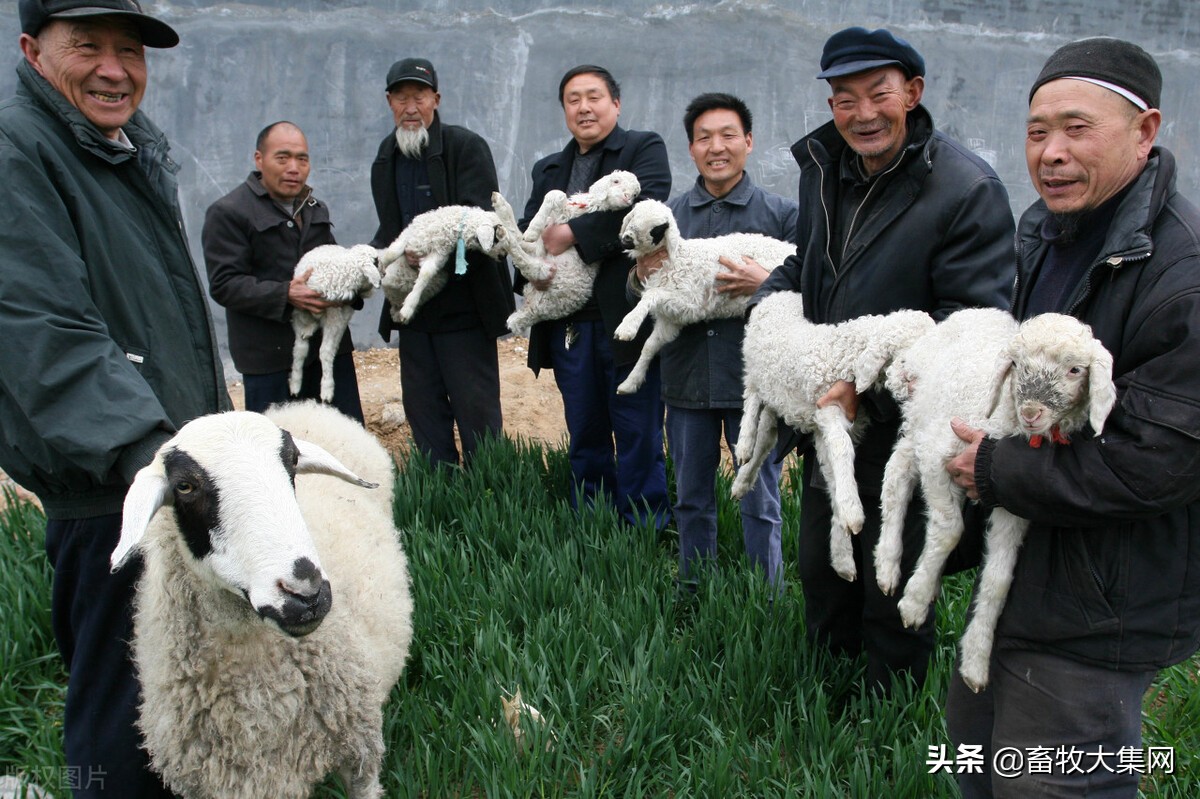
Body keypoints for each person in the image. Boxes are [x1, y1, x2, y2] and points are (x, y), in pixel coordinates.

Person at [945, 38, 1200, 797]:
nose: (1051, 153)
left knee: (1056, 780)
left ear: (1145, 130)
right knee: (973, 754)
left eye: (1076, 128)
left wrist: (992, 468)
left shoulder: (1179, 277)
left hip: (1101, 600)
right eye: (1035, 131)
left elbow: (1159, 458)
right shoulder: (1056, 233)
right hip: (1030, 565)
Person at [0, 2, 230, 796]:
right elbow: (41, 331)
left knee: (177, 706)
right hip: (116, 491)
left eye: (128, 49)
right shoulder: (17, 151)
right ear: (32, 50)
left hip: (160, 474)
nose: (113, 67)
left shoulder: (116, 151)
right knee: (124, 719)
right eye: (87, 46)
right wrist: (158, 459)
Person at [751, 27, 1016, 691]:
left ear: (914, 93)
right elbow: (803, 266)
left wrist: (862, 389)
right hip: (829, 419)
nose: (863, 114)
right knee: (821, 567)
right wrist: (767, 311)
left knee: (886, 578)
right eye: (845, 99)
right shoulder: (823, 171)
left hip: (901, 429)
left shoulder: (965, 190)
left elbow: (970, 328)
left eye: (879, 95)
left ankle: (887, 722)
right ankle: (825, 708)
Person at [629, 93, 798, 588]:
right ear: (691, 149)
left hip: (754, 382)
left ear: (748, 142)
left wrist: (764, 280)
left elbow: (812, 286)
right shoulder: (667, 215)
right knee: (691, 497)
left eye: (728, 135)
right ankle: (694, 592)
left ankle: (764, 599)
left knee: (760, 498)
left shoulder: (780, 214)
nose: (716, 147)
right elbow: (635, 288)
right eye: (705, 138)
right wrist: (643, 275)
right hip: (685, 378)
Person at [519, 64, 672, 529]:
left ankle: (645, 528)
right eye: (572, 99)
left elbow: (647, 212)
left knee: (637, 428)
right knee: (584, 429)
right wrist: (531, 271)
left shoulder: (642, 149)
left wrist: (570, 233)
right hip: (568, 324)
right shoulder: (548, 168)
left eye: (594, 97)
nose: (583, 107)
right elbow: (529, 233)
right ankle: (592, 524)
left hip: (625, 318)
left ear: (615, 103)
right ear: (564, 109)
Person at [369, 57, 514, 466]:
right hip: (414, 313)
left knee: (477, 416)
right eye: (401, 97)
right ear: (389, 102)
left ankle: (491, 501)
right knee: (425, 415)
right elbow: (390, 227)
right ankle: (442, 510)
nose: (410, 106)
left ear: (436, 99)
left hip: (465, 310)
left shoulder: (466, 147)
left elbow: (482, 223)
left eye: (419, 96)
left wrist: (432, 251)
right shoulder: (386, 157)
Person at [203, 121, 365, 422]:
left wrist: (354, 286)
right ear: (259, 159)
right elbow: (224, 284)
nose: (294, 167)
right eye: (283, 157)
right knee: (282, 455)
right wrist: (285, 293)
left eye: (302, 159)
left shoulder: (315, 208)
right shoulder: (229, 212)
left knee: (344, 448)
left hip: (328, 354)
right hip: (270, 362)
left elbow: (333, 262)